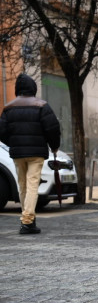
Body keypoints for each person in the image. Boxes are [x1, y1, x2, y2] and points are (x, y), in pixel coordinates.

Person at [0, 73, 60, 234]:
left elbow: (2, 131)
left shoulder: (8, 107)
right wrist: (54, 147)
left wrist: (13, 143)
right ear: (33, 88)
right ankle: (27, 222)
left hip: (18, 153)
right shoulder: (42, 105)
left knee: (23, 185)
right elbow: (52, 128)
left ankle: (29, 219)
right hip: (36, 153)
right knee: (33, 184)